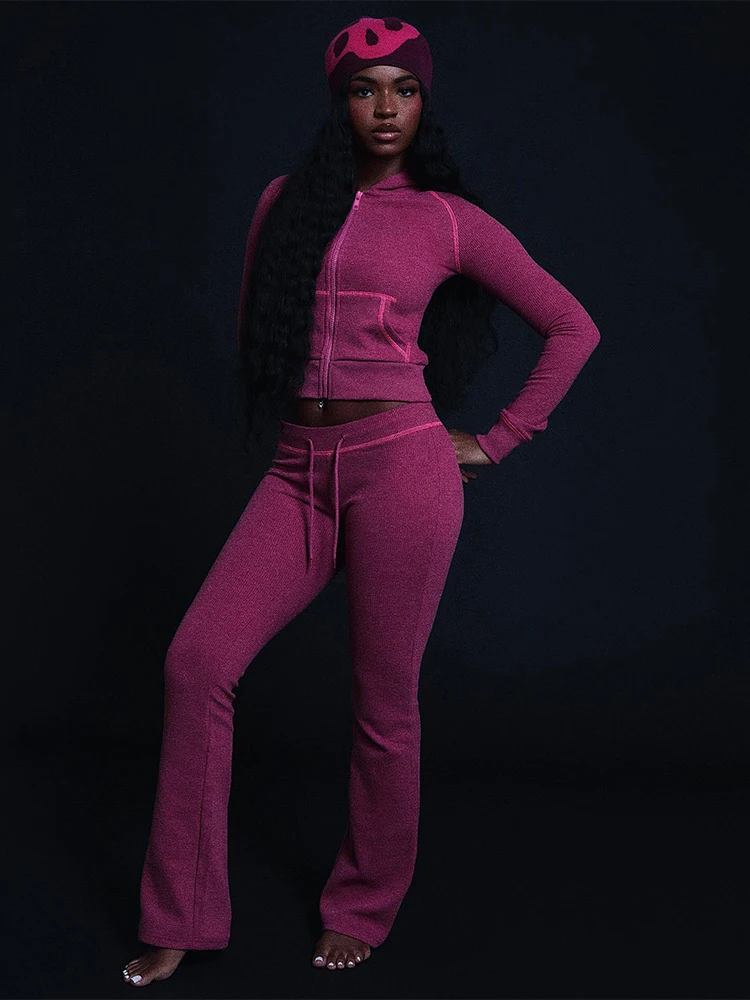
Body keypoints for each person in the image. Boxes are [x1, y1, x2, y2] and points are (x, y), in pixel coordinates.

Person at [121, 14, 601, 987]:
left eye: (404, 89)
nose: (386, 108)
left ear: (424, 102)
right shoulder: (283, 203)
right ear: (339, 102)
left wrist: (499, 438)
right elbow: (262, 328)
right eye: (365, 89)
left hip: (401, 470)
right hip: (298, 471)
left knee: (383, 704)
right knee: (196, 661)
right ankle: (182, 913)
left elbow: (572, 326)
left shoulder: (448, 219)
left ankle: (364, 905)